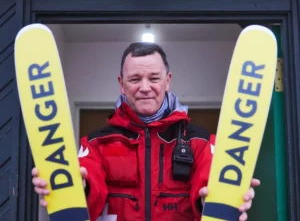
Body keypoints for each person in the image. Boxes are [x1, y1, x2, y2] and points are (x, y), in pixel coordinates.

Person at [32, 42, 260, 221]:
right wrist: (75, 187)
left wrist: (223, 198)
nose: (144, 87)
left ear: (167, 81)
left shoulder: (200, 142)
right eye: (134, 79)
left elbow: (207, 187)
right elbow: (89, 190)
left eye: (153, 78)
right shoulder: (96, 144)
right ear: (122, 84)